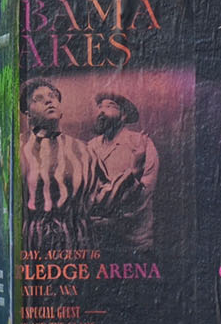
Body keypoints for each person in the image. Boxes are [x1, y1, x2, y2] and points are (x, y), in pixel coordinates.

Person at [19, 78, 104, 249]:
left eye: (52, 96)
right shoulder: (15, 149)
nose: (49, 100)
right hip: (31, 241)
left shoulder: (83, 150)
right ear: (28, 112)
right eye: (38, 99)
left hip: (76, 239)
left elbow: (101, 197)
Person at [86, 92, 159, 255]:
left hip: (135, 240)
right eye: (100, 107)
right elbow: (87, 189)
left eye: (110, 106)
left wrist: (115, 220)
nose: (102, 111)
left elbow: (146, 189)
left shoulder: (142, 143)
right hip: (99, 241)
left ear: (124, 115)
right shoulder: (90, 147)